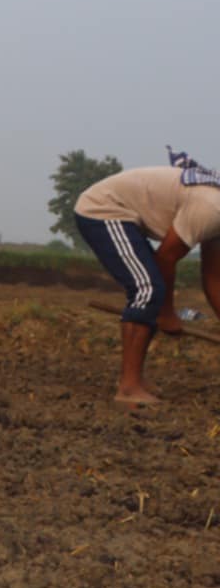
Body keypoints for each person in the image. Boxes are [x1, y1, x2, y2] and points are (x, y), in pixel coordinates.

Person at [74, 159, 220, 406]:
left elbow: (214, 279)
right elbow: (165, 258)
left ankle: (136, 381)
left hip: (128, 218)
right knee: (147, 289)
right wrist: (167, 313)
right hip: (103, 209)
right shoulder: (213, 209)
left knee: (150, 290)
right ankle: (129, 387)